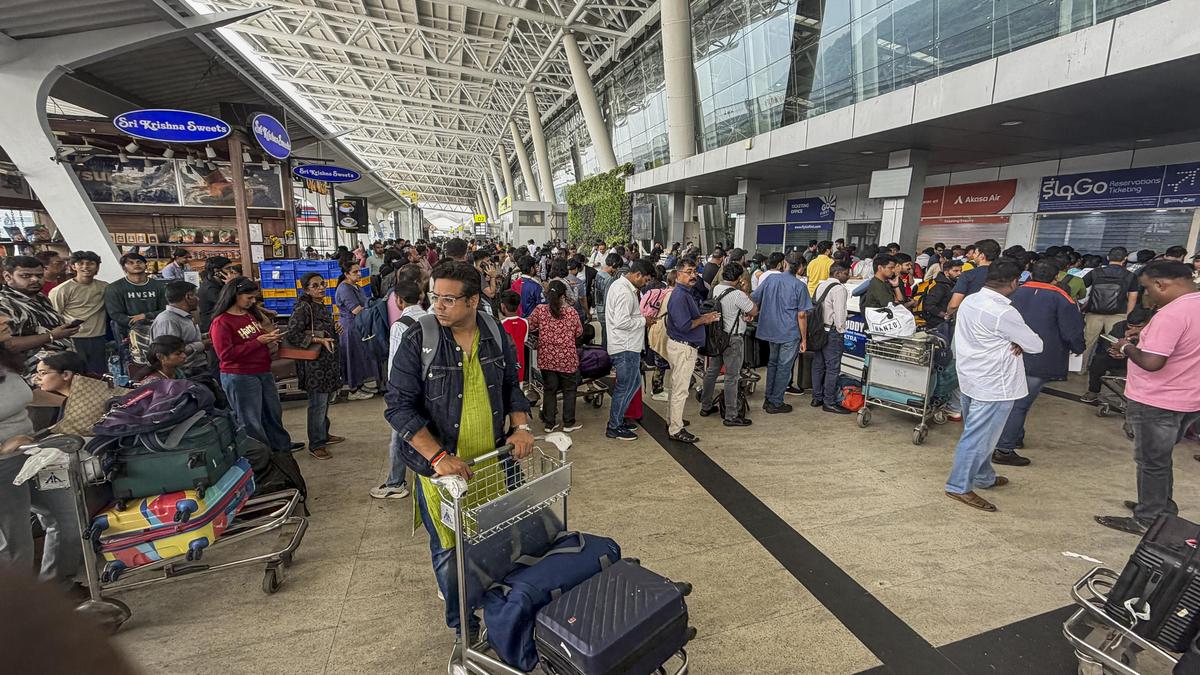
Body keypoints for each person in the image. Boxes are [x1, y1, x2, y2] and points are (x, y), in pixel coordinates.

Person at [383, 261, 534, 643]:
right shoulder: (419, 338)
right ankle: (463, 627)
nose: (438, 305)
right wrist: (437, 457)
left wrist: (520, 427)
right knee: (450, 553)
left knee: (493, 540)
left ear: (473, 300)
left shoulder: (495, 334)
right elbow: (398, 406)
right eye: (434, 296)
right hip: (442, 475)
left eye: (448, 299)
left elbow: (511, 386)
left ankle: (498, 611)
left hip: (491, 465)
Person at [1094, 261, 1200, 534]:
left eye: (1147, 289)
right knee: (1161, 459)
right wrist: (1142, 338)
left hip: (1158, 400)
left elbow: (1153, 362)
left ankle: (1148, 518)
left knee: (1151, 462)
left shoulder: (1171, 314)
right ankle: (1160, 507)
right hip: (1189, 398)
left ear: (1161, 284)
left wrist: (1127, 346)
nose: (1146, 295)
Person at [944, 261, 1043, 512]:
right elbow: (1035, 344)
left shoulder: (970, 300)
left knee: (983, 435)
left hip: (971, 376)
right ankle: (958, 486)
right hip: (994, 384)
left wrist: (1013, 340)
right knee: (979, 437)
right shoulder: (1002, 312)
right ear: (1013, 283)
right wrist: (1017, 340)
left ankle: (983, 476)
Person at [0, 315, 83, 594]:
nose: (6, 318)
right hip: (3, 465)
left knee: (67, 521)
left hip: (33, 452)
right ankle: (18, 616)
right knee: (15, 545)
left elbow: (28, 395)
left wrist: (79, 401)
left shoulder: (5, 359)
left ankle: (55, 593)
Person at [993, 260, 1085, 466]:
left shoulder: (1014, 292)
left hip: (1008, 352)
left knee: (1009, 399)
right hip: (1042, 356)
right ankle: (1005, 448)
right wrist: (1078, 348)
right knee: (1020, 403)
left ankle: (1013, 436)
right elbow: (1072, 331)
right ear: (1057, 277)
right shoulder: (1062, 298)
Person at [209, 277, 297, 454]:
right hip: (240, 375)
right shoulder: (222, 322)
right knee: (250, 419)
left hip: (262, 371)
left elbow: (255, 335)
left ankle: (281, 447)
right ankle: (262, 455)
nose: (253, 301)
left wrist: (270, 337)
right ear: (235, 295)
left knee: (272, 413)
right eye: (248, 298)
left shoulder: (248, 315)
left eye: (254, 297)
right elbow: (226, 355)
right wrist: (258, 341)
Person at [372, 280, 428, 499]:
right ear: (421, 297)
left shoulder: (400, 325)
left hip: (407, 389)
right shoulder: (430, 318)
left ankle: (395, 482)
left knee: (399, 434)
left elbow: (396, 362)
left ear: (398, 300)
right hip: (428, 385)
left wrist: (392, 391)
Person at [288, 273, 344, 461]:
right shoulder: (303, 307)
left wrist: (334, 328)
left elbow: (319, 327)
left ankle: (323, 434)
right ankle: (316, 443)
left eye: (322, 284)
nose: (321, 288)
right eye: (315, 285)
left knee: (325, 402)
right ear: (306, 289)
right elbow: (293, 334)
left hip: (327, 362)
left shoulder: (320, 305)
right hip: (314, 365)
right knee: (317, 404)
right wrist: (318, 339)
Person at [663, 260, 719, 443]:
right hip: (683, 347)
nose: (693, 275)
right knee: (680, 390)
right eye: (688, 272)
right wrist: (705, 319)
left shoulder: (685, 293)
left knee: (676, 386)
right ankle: (676, 429)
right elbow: (685, 325)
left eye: (694, 271)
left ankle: (674, 419)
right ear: (678, 274)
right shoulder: (680, 296)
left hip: (681, 345)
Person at [751, 252, 812, 414]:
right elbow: (801, 315)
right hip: (789, 332)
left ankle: (768, 398)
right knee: (784, 367)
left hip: (770, 329)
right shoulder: (800, 286)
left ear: (784, 263)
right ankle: (776, 402)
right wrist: (804, 339)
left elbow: (754, 299)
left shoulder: (770, 279)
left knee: (772, 364)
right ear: (800, 268)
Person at [0, 256, 77, 379]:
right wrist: (51, 336)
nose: (35, 279)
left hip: (61, 368)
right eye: (26, 276)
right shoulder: (4, 304)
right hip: (33, 375)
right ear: (8, 276)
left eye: (39, 276)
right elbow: (7, 345)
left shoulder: (41, 297)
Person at [700, 263, 757, 427]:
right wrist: (745, 290)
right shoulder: (738, 294)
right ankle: (731, 415)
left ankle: (706, 405)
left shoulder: (716, 288)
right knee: (732, 377)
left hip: (717, 336)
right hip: (733, 339)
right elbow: (753, 310)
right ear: (739, 279)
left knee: (712, 371)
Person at [605, 259, 655, 441]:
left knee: (632, 385)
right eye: (646, 280)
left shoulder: (622, 286)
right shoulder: (624, 292)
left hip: (628, 345)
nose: (646, 283)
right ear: (638, 275)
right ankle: (614, 426)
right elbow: (621, 322)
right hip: (624, 347)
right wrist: (644, 321)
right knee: (624, 386)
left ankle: (619, 418)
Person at [528, 280, 584, 433]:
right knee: (569, 390)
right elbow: (579, 332)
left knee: (549, 390)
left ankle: (549, 423)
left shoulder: (540, 310)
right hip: (567, 358)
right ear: (564, 295)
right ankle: (568, 423)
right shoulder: (571, 312)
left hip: (547, 358)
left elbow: (529, 326)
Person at [48, 251, 108, 374]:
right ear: (73, 266)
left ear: (97, 267)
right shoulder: (61, 290)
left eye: (91, 263)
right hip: (73, 339)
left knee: (99, 375)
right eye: (80, 263)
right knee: (75, 374)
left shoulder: (105, 287)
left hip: (98, 338)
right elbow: (53, 318)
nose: (85, 267)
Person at [1081, 247, 1139, 371]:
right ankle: (1107, 370)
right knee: (1114, 344)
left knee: (1087, 343)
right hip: (1118, 315)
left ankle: (1080, 369)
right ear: (1125, 259)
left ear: (1108, 258)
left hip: (1094, 313)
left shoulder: (1095, 272)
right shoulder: (1130, 276)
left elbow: (1081, 287)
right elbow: (1132, 298)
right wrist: (1128, 318)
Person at [1080, 307, 1151, 404]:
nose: (1133, 329)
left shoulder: (1153, 331)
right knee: (1099, 359)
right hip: (1120, 358)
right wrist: (1112, 350)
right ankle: (1093, 391)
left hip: (1140, 359)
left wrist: (1138, 338)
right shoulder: (1120, 326)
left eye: (1138, 327)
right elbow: (1108, 342)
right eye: (1131, 326)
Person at [810, 262, 851, 413]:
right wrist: (841, 330)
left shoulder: (821, 285)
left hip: (818, 330)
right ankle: (829, 402)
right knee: (833, 368)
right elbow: (840, 313)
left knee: (818, 365)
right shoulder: (839, 289)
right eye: (846, 273)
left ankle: (817, 397)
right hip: (832, 331)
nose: (848, 276)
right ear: (838, 273)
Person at [335, 261, 377, 400]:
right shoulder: (345, 289)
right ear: (346, 274)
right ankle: (353, 390)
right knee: (351, 357)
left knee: (359, 357)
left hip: (358, 326)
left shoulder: (356, 287)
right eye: (355, 272)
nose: (359, 274)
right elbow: (356, 310)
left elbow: (365, 302)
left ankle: (359, 384)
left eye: (359, 271)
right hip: (350, 327)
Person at [103, 252, 166, 340]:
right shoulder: (113, 288)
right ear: (124, 268)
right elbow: (115, 314)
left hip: (158, 329)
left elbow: (165, 309)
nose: (136, 264)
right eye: (131, 263)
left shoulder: (159, 286)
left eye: (139, 262)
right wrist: (136, 324)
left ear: (146, 265)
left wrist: (145, 316)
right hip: (127, 333)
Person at [150, 280, 207, 376]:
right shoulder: (168, 321)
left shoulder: (184, 317)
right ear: (188, 296)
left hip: (195, 368)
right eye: (195, 295)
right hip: (185, 372)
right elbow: (170, 352)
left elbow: (186, 339)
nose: (198, 299)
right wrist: (201, 345)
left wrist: (206, 336)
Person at [946, 239, 1001, 317]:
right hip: (995, 316)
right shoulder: (1004, 275)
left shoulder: (968, 275)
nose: (973, 256)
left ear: (982, 256)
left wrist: (948, 314)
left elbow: (954, 305)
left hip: (970, 317)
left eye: (975, 253)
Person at [918, 258, 963, 328]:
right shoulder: (940, 286)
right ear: (946, 273)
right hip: (938, 324)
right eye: (955, 271)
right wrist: (944, 315)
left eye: (960, 271)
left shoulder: (953, 284)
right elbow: (929, 305)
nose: (959, 273)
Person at [196, 256, 235, 333]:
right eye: (228, 268)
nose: (231, 271)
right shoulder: (210, 288)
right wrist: (230, 285)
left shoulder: (219, 282)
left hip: (222, 319)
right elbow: (226, 303)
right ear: (217, 271)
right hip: (212, 325)